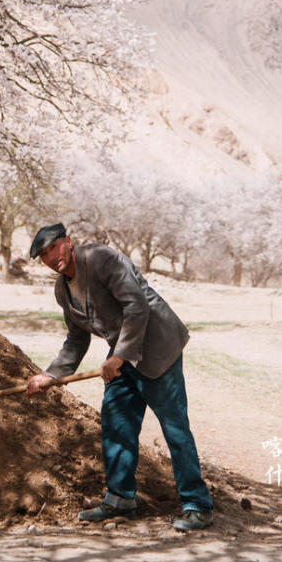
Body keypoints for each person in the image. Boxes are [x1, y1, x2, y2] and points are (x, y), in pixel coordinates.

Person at [26, 222, 213, 531]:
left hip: (157, 349)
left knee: (175, 428)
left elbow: (137, 306)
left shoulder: (101, 259)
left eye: (54, 248)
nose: (51, 257)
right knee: (116, 423)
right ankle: (120, 500)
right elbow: (76, 340)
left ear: (68, 242)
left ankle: (197, 504)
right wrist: (50, 375)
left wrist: (118, 356)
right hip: (123, 355)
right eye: (43, 255)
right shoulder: (63, 291)